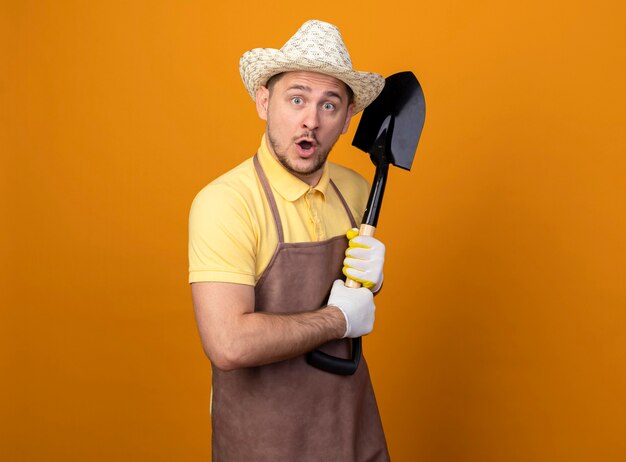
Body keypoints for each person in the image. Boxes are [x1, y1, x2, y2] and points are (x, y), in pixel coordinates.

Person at [188, 19, 390, 461]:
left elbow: (357, 302)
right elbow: (229, 343)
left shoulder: (355, 191)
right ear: (264, 102)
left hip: (351, 428)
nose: (310, 121)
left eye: (329, 105)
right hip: (265, 443)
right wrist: (338, 318)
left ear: (349, 117)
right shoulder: (227, 203)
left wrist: (373, 281)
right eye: (296, 99)